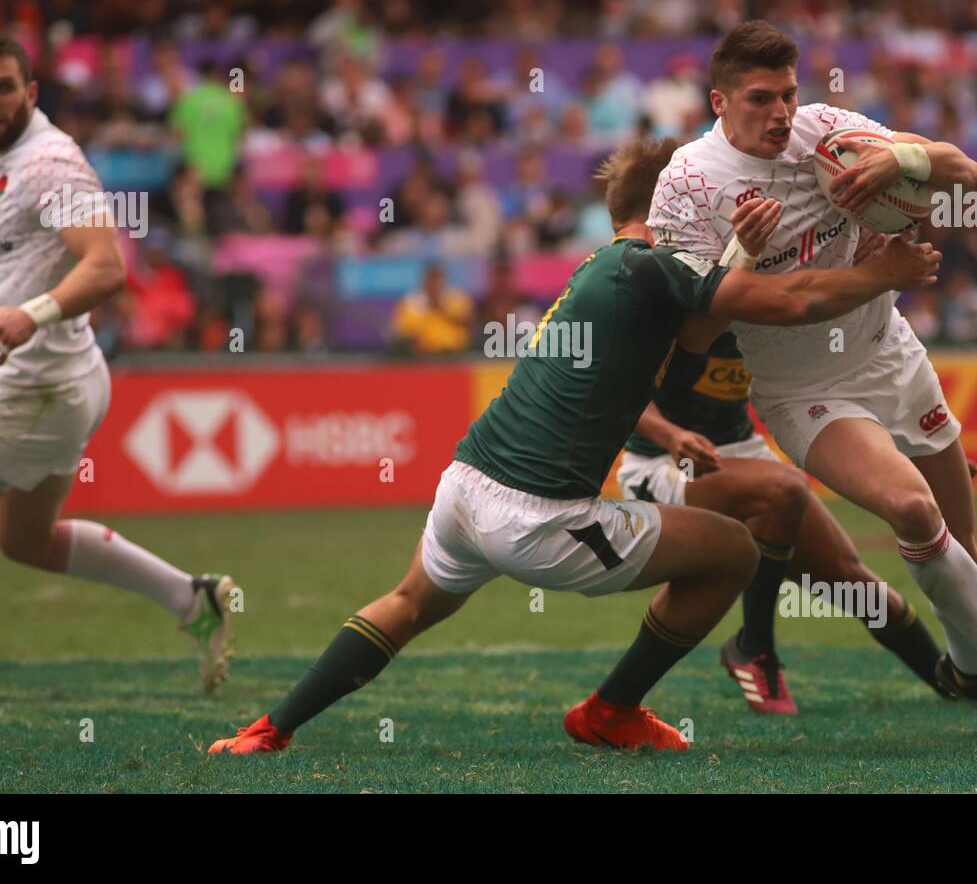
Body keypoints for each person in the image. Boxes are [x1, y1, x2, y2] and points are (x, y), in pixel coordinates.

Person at [207, 136, 939, 754]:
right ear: (672, 207)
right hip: (539, 519)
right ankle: (612, 708)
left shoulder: (607, 267)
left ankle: (272, 727)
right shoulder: (657, 269)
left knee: (407, 602)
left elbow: (695, 332)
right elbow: (790, 301)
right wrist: (881, 273)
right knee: (734, 553)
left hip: (465, 482)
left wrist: (740, 251)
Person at [646, 20, 977, 738]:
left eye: (789, 94)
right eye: (759, 99)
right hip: (805, 392)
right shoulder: (686, 184)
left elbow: (965, 173)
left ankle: (965, 668)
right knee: (913, 511)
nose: (780, 113)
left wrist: (902, 156)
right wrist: (742, 254)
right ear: (719, 101)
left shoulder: (823, 131)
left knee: (964, 543)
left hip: (891, 352)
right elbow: (694, 333)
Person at [0, 33, 235, 690]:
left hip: (35, 386)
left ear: (31, 92)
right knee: (22, 539)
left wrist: (31, 312)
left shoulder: (50, 162)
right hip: (66, 379)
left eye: (5, 87)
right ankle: (194, 599)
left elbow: (107, 267)